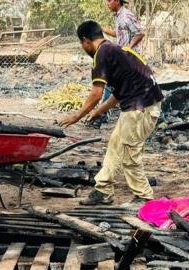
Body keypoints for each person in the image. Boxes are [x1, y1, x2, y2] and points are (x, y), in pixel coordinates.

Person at [59, 20, 163, 206]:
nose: (83, 48)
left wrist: (76, 116)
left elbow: (96, 93)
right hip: (140, 104)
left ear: (86, 40)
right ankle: (103, 190)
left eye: (82, 44)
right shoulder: (113, 51)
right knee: (115, 145)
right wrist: (98, 112)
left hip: (140, 107)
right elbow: (117, 93)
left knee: (129, 154)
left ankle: (143, 196)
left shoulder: (102, 54)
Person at [100, 0, 145, 119]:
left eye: (109, 0)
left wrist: (129, 48)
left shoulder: (126, 15)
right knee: (116, 85)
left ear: (117, 1)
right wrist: (103, 30)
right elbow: (119, 34)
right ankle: (103, 114)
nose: (107, 3)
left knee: (112, 84)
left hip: (129, 58)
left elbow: (140, 33)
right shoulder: (119, 16)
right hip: (122, 58)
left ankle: (101, 115)